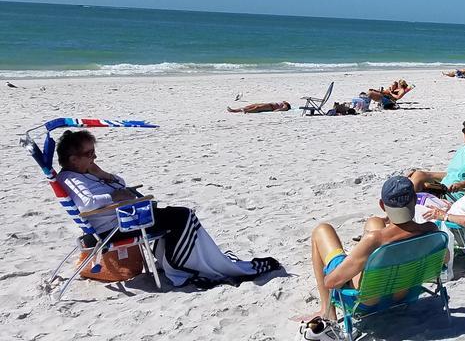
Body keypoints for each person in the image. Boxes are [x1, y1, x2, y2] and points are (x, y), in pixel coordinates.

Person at [55, 130, 280, 288]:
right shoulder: (70, 178)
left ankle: (176, 262)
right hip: (117, 228)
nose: (94, 157)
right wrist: (113, 195)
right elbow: (87, 204)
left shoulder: (85, 173)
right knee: (182, 215)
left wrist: (103, 174)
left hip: (127, 220)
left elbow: (121, 184)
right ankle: (178, 266)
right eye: (89, 154)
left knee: (179, 214)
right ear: (73, 159)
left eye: (94, 152)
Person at [306, 175, 436, 328]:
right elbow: (444, 261)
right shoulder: (431, 230)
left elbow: (331, 282)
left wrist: (353, 261)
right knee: (374, 222)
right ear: (415, 198)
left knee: (322, 230)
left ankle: (327, 312)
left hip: (367, 300)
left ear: (382, 205)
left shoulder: (375, 239)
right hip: (405, 293)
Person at [409, 119, 465, 199]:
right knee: (418, 175)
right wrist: (427, 174)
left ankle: (409, 206)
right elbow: (451, 174)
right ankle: (406, 206)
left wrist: (461, 184)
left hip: (456, 194)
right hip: (442, 189)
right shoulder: (462, 150)